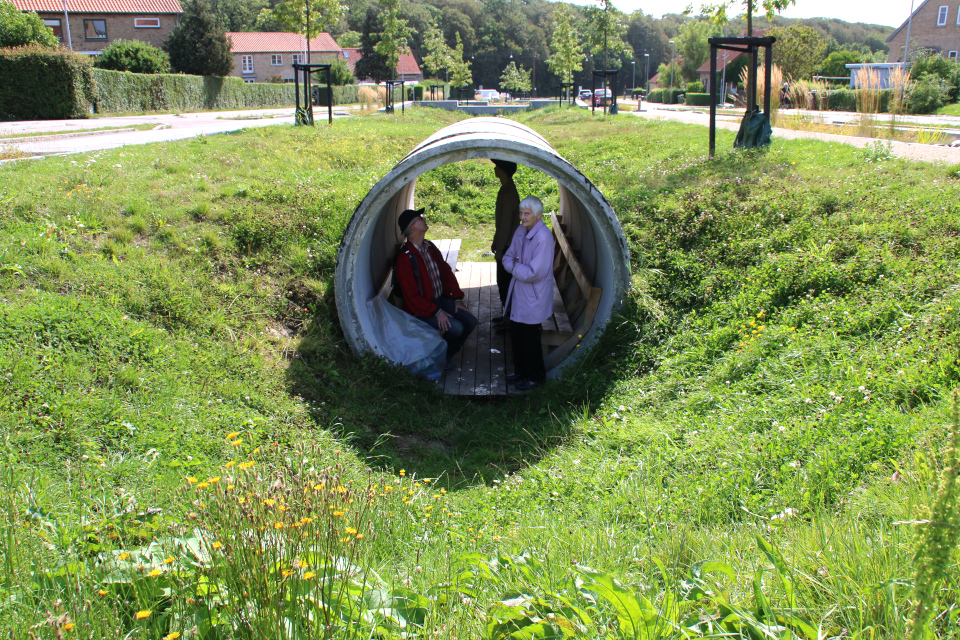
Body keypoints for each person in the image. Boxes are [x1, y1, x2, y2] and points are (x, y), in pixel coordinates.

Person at [394, 208, 477, 370]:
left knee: (470, 321)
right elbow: (412, 297)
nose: (423, 219)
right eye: (419, 218)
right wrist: (436, 311)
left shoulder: (429, 246)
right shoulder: (405, 258)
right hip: (419, 309)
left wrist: (457, 298)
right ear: (413, 228)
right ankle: (438, 360)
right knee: (456, 328)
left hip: (438, 301)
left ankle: (444, 357)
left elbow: (446, 273)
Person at [502, 196, 554, 391]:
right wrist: (516, 267)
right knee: (516, 332)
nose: (522, 217)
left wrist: (515, 267)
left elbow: (534, 273)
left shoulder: (543, 237)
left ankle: (535, 377)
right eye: (521, 213)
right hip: (520, 290)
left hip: (533, 294)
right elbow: (508, 257)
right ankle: (521, 371)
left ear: (539, 215)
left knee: (530, 336)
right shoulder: (521, 230)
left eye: (527, 214)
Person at [490, 159, 520, 326]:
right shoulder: (506, 190)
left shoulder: (509, 194)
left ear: (503, 171)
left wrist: (500, 249)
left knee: (505, 283)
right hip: (505, 243)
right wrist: (496, 241)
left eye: (497, 167)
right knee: (503, 283)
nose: (495, 169)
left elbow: (506, 224)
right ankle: (507, 315)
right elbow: (501, 223)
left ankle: (511, 318)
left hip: (509, 246)